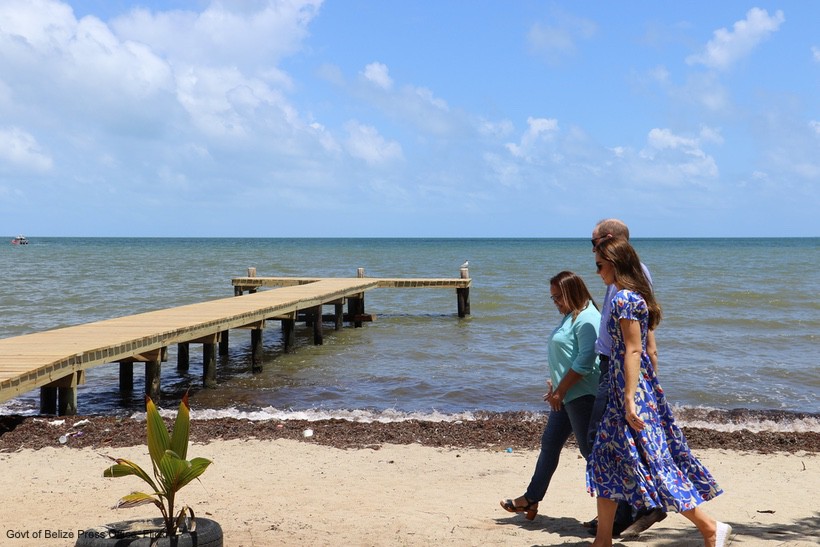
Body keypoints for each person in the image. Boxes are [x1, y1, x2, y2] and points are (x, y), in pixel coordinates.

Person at [586, 237, 731, 547]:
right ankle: (602, 541)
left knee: (654, 463)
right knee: (606, 460)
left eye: (599, 265)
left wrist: (628, 398)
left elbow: (634, 350)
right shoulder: (633, 296)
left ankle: (709, 527)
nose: (596, 272)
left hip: (629, 392)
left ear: (615, 263)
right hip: (624, 389)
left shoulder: (625, 298)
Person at [586, 219, 666, 537]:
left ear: (609, 241)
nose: (592, 250)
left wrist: (640, 387)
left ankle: (641, 506)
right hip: (610, 365)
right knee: (611, 443)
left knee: (602, 440)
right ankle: (618, 516)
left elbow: (639, 340)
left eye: (593, 243)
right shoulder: (612, 275)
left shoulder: (630, 275)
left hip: (619, 371)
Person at [500, 271, 601, 520]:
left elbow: (586, 361)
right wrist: (556, 383)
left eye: (558, 297)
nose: (555, 302)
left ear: (572, 293)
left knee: (592, 454)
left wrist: (562, 388)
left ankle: (620, 510)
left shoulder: (588, 317)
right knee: (550, 445)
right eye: (553, 298)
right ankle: (532, 498)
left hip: (581, 396)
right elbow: (569, 355)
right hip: (564, 395)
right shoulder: (571, 316)